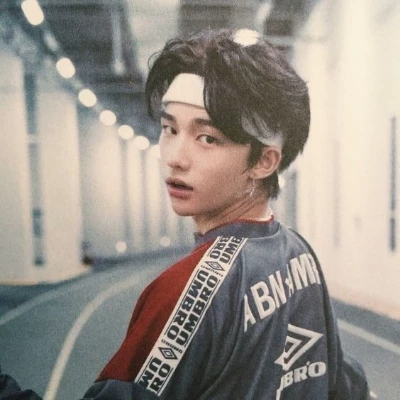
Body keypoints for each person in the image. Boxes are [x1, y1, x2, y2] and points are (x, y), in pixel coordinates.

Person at [0, 28, 369, 399]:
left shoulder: (186, 292)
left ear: (264, 161)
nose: (175, 157)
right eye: (169, 128)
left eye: (207, 138)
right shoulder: (299, 254)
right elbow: (343, 382)